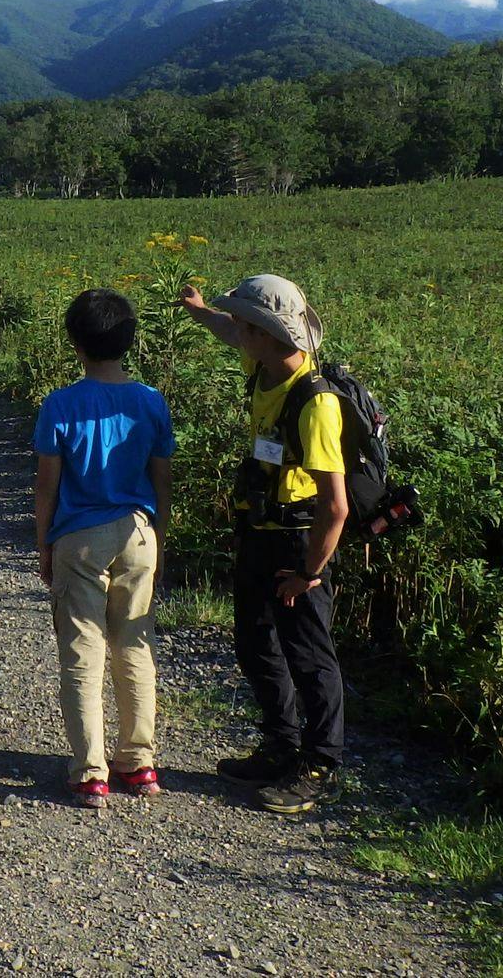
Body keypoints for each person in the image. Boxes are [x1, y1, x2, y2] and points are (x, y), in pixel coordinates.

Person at [175, 274, 349, 814]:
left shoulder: (314, 403)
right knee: (255, 643)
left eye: (247, 324)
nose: (238, 331)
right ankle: (280, 744)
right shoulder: (265, 364)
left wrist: (311, 573)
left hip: (299, 544)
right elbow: (227, 332)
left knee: (309, 655)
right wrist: (199, 311)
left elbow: (335, 506)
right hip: (260, 533)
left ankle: (320, 763)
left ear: (270, 335)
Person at [31, 288, 175, 808]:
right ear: (129, 339)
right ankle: (139, 762)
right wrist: (161, 537)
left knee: (82, 651)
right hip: (139, 531)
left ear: (75, 343)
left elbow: (47, 484)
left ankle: (90, 770)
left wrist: (44, 542)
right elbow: (162, 480)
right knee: (135, 646)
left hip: (79, 537)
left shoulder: (60, 405)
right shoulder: (151, 402)